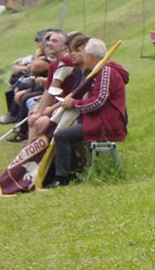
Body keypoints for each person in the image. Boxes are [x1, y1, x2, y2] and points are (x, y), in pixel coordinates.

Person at [52, 38, 129, 187]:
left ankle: (64, 178)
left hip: (106, 122)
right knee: (64, 133)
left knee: (61, 136)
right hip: (98, 119)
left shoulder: (106, 71)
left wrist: (73, 104)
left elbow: (98, 101)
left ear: (90, 56)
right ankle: (73, 172)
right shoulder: (101, 70)